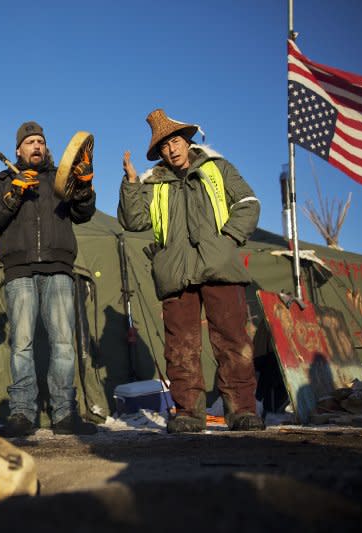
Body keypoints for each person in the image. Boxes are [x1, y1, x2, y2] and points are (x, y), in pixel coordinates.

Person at [118, 108, 265, 433]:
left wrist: (227, 240)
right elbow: (133, 221)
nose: (171, 149)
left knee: (233, 341)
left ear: (186, 141)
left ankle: (242, 410)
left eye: (176, 141)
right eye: (164, 146)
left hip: (220, 267)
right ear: (159, 153)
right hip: (175, 272)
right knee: (181, 347)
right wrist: (130, 182)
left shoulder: (217, 168)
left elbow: (249, 203)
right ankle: (188, 413)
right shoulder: (152, 182)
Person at [0, 121, 97, 437]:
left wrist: (83, 185)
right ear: (18, 149)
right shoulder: (2, 179)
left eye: (40, 141)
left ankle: (64, 415)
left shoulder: (62, 178)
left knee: (62, 344)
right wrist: (14, 193)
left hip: (58, 266)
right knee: (22, 345)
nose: (36, 146)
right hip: (19, 269)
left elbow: (85, 213)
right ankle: (22, 415)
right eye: (29, 142)